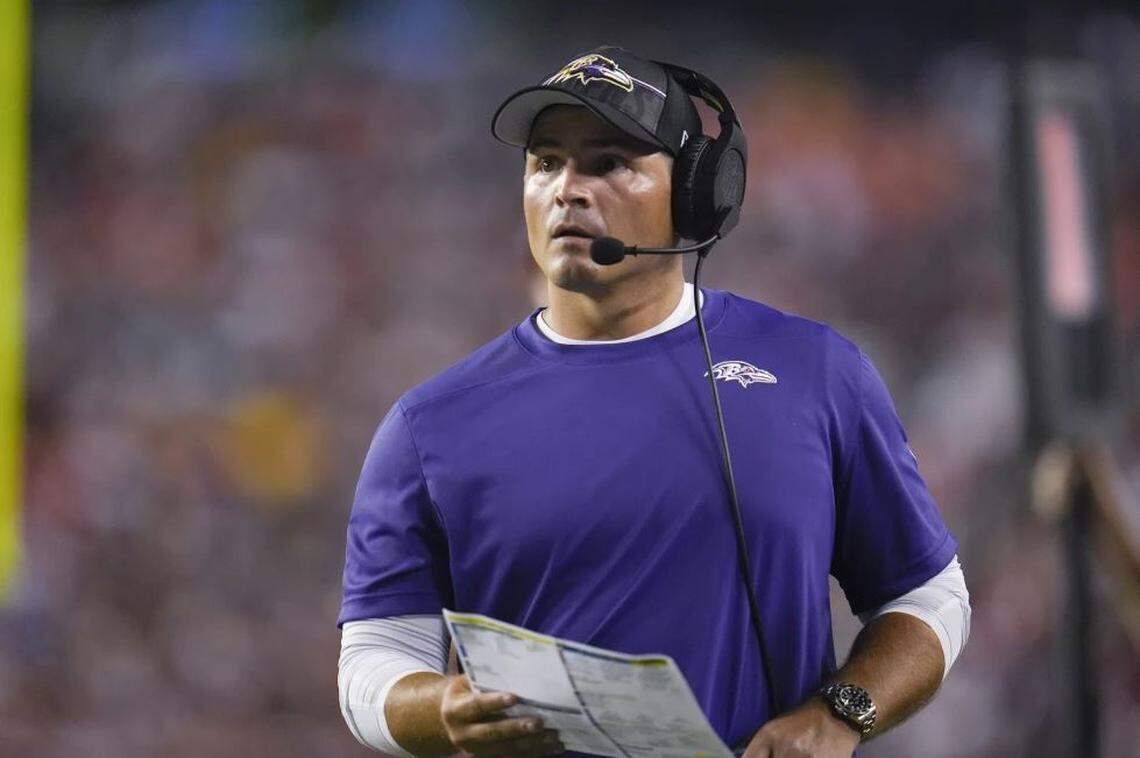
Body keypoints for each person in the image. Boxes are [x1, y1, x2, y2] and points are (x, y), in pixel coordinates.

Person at [337, 46, 971, 758]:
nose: (567, 190)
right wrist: (441, 707)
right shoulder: (428, 426)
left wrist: (839, 714)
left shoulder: (817, 372)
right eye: (546, 162)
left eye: (609, 163)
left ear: (698, 195)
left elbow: (928, 597)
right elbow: (374, 659)